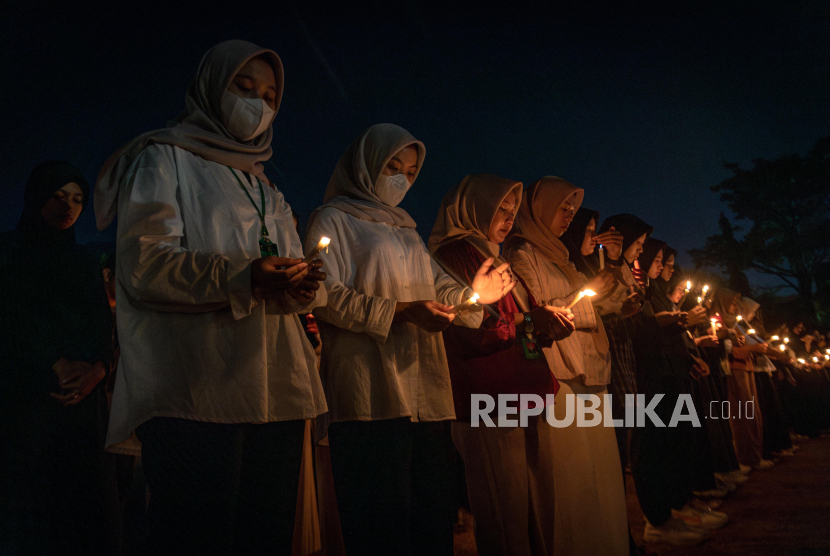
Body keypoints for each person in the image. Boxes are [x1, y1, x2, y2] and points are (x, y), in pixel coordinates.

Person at [94, 40, 327, 555]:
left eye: (269, 96)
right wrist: (244, 277)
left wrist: (301, 286)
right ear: (209, 89)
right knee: (198, 537)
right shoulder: (164, 159)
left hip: (276, 391)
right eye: (243, 89)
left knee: (263, 536)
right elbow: (146, 265)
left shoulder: (268, 188)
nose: (256, 105)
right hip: (197, 391)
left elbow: (285, 278)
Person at [306, 124, 515, 556]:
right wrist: (399, 312)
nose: (401, 179)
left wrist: (474, 294)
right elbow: (324, 295)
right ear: (365, 164)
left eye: (412, 172)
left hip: (424, 397)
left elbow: (440, 290)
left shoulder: (407, 232)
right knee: (380, 524)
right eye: (392, 166)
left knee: (431, 519)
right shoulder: (333, 220)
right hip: (369, 396)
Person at [429, 173, 576, 556]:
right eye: (501, 209)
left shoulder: (495, 256)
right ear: (473, 207)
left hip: (527, 389)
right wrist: (531, 322)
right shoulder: (453, 256)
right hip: (489, 398)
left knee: (538, 505)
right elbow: (467, 329)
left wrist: (546, 322)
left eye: (513, 209)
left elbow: (519, 315)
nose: (509, 217)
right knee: (504, 508)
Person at [0, 161, 121, 555]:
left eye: (77, 199)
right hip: (27, 401)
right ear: (37, 196)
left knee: (86, 512)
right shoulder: (9, 253)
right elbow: (12, 318)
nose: (68, 206)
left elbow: (104, 327)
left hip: (82, 408)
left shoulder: (86, 262)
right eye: (58, 195)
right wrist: (54, 362)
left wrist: (99, 369)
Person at [505, 176, 629, 556]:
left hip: (589, 373)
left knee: (599, 478)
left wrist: (611, 291)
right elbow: (528, 316)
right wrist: (582, 301)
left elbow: (590, 305)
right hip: (560, 376)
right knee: (571, 481)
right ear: (540, 207)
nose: (569, 215)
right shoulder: (522, 253)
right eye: (563, 207)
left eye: (573, 209)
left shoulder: (561, 254)